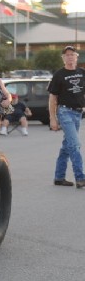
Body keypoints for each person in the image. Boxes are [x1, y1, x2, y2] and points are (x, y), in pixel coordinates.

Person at [48, 45, 85, 188]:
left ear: (77, 56)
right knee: (75, 145)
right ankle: (80, 178)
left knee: (67, 146)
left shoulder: (82, 73)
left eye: (72, 54)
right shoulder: (59, 74)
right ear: (63, 58)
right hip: (65, 112)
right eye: (67, 55)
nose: (70, 57)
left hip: (78, 113)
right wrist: (52, 118)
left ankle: (59, 177)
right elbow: (52, 98)